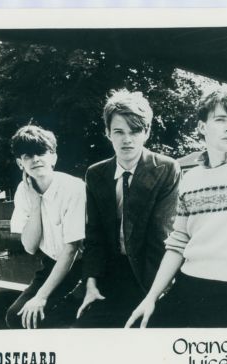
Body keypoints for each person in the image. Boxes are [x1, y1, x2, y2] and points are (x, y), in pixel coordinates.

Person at [125, 88, 227, 328]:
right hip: (187, 285)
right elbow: (179, 241)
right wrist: (151, 298)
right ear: (202, 127)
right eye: (220, 120)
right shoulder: (191, 179)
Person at [74, 89, 181, 328]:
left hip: (148, 273)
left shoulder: (166, 169)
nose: (127, 140)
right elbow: (94, 235)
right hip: (109, 275)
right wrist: (90, 283)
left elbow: (161, 235)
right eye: (119, 132)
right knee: (83, 332)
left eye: (135, 131)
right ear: (107, 133)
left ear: (147, 132)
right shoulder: (96, 174)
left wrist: (154, 293)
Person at [6, 125, 85, 329]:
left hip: (82, 266)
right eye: (27, 156)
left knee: (52, 320)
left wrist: (40, 297)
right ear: (20, 163)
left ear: (54, 158)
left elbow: (71, 250)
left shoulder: (73, 188)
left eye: (41, 153)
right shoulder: (23, 191)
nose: (35, 160)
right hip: (51, 265)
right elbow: (30, 247)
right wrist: (36, 203)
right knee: (15, 316)